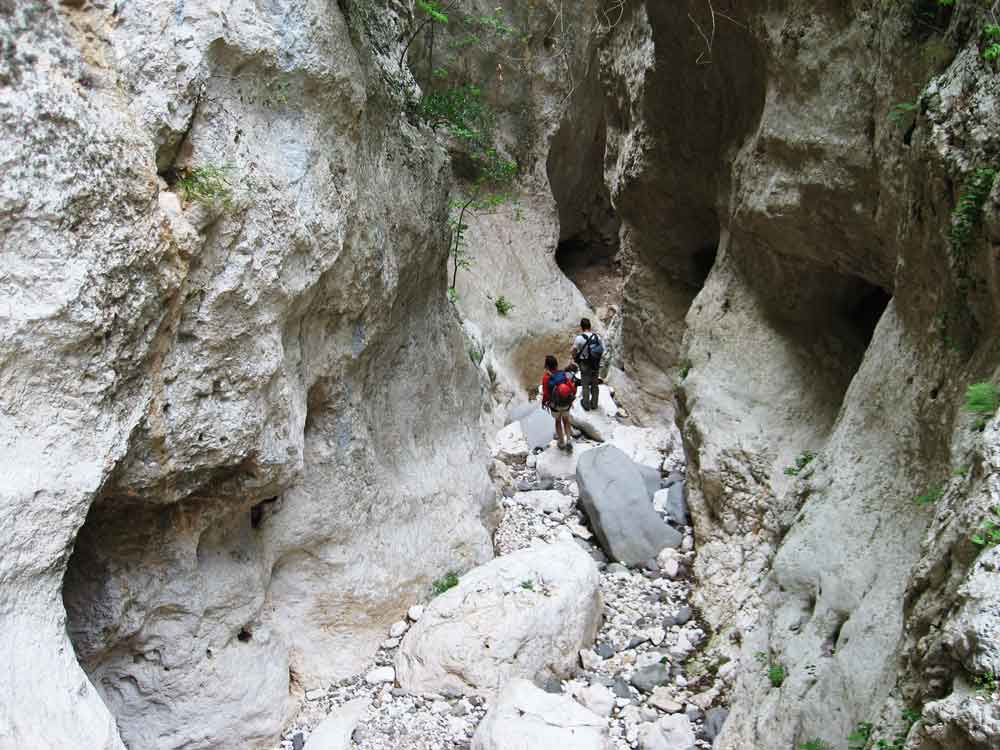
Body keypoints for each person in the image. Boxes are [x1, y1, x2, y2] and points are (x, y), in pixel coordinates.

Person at [541, 355, 577, 451]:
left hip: (555, 405)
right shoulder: (563, 374)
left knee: (558, 421)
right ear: (556, 365)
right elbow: (572, 388)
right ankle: (569, 440)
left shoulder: (546, 378)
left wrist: (544, 402)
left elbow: (546, 393)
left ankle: (561, 442)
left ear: (547, 366)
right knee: (566, 420)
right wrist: (571, 397)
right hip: (566, 403)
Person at [572, 318, 602, 411]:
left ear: (582, 327)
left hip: (584, 363)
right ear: (590, 326)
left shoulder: (579, 338)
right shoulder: (597, 337)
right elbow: (602, 349)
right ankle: (594, 404)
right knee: (594, 384)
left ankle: (586, 404)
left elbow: (573, 350)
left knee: (585, 384)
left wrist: (575, 358)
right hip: (595, 364)